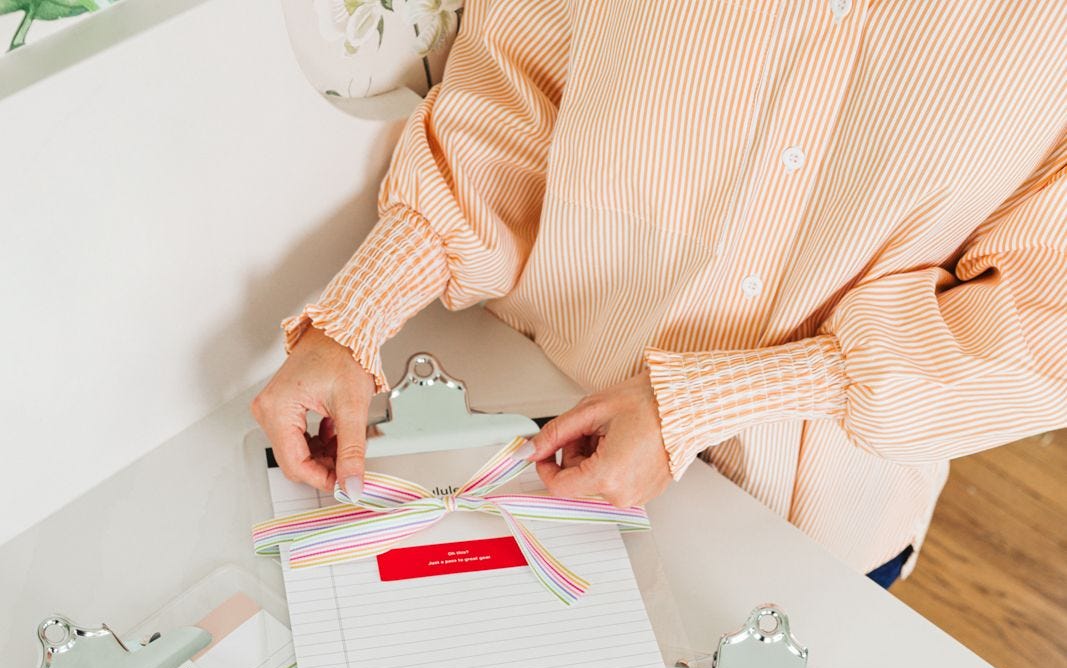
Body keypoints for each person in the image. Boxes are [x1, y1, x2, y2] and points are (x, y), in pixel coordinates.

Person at [252, 0, 1067, 587]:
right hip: (522, 443)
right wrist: (350, 321)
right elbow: (512, 99)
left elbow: (1038, 319)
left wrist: (695, 403)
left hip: (798, 534)